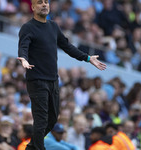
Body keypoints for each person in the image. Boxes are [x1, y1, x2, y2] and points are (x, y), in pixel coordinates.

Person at [17, 0, 106, 150]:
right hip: (37, 80)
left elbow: (67, 46)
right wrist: (24, 59)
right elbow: (23, 46)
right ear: (33, 7)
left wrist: (88, 58)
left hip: (53, 80)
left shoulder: (53, 26)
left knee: (52, 119)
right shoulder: (28, 27)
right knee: (41, 119)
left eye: (46, 2)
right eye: (40, 2)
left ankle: (32, 146)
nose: (44, 5)